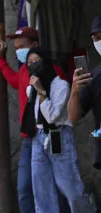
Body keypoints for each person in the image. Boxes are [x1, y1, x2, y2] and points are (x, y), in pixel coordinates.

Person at [0, 26, 70, 213]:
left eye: (23, 47)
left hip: (50, 134)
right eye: (16, 48)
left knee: (57, 187)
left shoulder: (53, 71)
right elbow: (14, 82)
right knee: (25, 187)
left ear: (35, 45)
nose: (19, 52)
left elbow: (61, 102)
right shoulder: (23, 70)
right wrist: (0, 60)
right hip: (29, 137)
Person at [22, 49, 101, 213]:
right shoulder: (32, 87)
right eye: (29, 62)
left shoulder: (60, 85)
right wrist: (36, 91)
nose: (33, 65)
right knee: (42, 193)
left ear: (46, 62)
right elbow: (34, 117)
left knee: (73, 190)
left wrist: (41, 92)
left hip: (59, 138)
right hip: (39, 139)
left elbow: (53, 114)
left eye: (37, 60)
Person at [68, 16, 101, 173]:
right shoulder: (94, 76)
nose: (99, 42)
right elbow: (74, 117)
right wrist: (75, 89)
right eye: (96, 38)